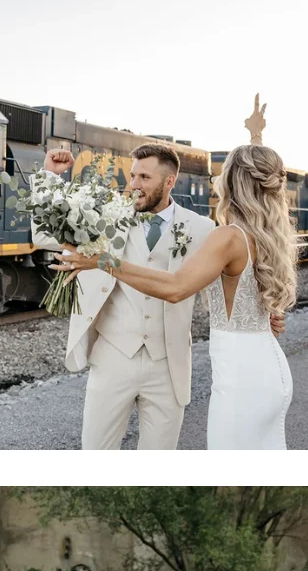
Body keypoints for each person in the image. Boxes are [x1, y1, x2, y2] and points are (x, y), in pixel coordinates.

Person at [56, 144, 296, 450]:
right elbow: (255, 295)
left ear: (233, 182)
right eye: (133, 175)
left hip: (236, 378)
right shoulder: (267, 237)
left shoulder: (220, 233)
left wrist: (104, 261)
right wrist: (269, 315)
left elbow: (176, 287)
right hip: (270, 367)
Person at [35, 144, 221, 449]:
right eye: (132, 175)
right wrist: (50, 177)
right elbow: (43, 234)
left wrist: (267, 313)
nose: (134, 184)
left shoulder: (201, 228)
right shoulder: (108, 217)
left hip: (169, 364)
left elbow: (221, 284)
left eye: (144, 177)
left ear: (169, 181)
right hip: (112, 357)